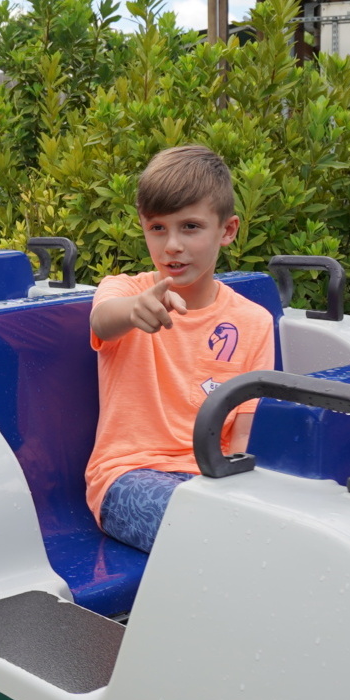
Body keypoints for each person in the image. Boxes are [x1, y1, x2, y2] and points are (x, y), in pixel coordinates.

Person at [83, 146, 275, 552]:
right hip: (127, 476)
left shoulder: (255, 322)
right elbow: (103, 320)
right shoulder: (126, 291)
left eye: (190, 227)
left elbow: (243, 437)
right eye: (157, 228)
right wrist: (135, 311)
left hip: (214, 480)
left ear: (227, 230)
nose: (171, 245)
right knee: (213, 534)